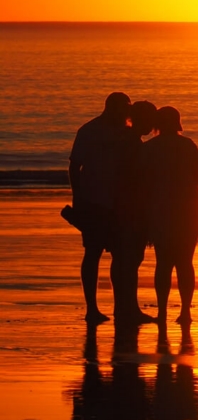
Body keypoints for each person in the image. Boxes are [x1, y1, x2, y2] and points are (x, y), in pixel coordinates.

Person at [140, 106, 198, 326]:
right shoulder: (187, 145)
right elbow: (197, 179)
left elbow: (143, 181)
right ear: (178, 123)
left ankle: (161, 311)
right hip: (188, 206)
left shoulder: (149, 147)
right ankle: (185, 311)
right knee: (185, 263)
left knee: (163, 262)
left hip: (160, 207)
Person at [67, 92, 131, 324]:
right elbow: (75, 166)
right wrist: (78, 198)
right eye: (125, 108)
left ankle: (119, 307)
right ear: (112, 108)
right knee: (93, 253)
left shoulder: (125, 132)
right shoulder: (90, 130)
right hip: (93, 201)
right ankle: (91, 307)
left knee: (120, 255)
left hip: (118, 203)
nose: (127, 113)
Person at [114, 100, 158, 326]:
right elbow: (134, 178)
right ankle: (127, 308)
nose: (152, 126)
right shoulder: (132, 144)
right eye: (150, 121)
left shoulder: (127, 140)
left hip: (123, 206)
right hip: (130, 207)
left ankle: (125, 307)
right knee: (130, 258)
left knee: (125, 258)